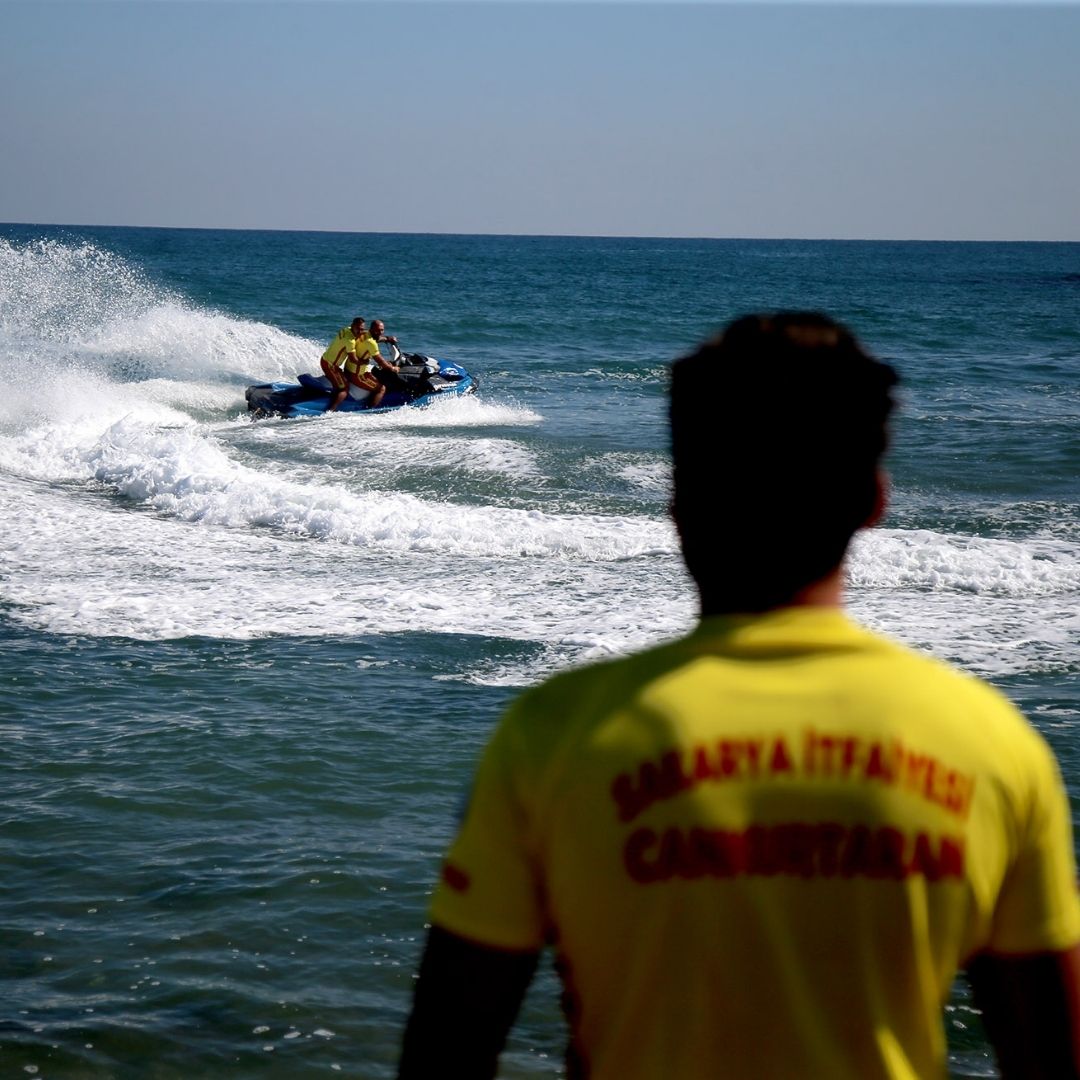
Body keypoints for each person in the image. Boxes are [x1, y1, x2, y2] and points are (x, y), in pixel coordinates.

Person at [398, 313, 1080, 1080]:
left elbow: (446, 1055)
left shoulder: (554, 736)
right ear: (874, 501)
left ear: (677, 501)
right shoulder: (993, 746)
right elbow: (1052, 1059)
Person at [343, 318, 404, 410]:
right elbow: (380, 362)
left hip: (348, 368)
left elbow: (377, 338)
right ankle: (369, 410)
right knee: (381, 388)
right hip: (356, 374)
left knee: (376, 377)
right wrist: (393, 368)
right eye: (377, 330)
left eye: (382, 330)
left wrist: (387, 339)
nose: (380, 332)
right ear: (372, 329)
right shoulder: (371, 343)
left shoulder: (364, 333)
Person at [320, 318, 368, 413]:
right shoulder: (350, 341)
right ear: (353, 326)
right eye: (358, 329)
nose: (360, 331)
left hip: (325, 360)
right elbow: (353, 359)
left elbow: (361, 332)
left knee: (338, 383)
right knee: (344, 389)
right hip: (331, 366)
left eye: (362, 329)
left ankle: (330, 397)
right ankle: (330, 411)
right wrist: (365, 362)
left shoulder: (346, 329)